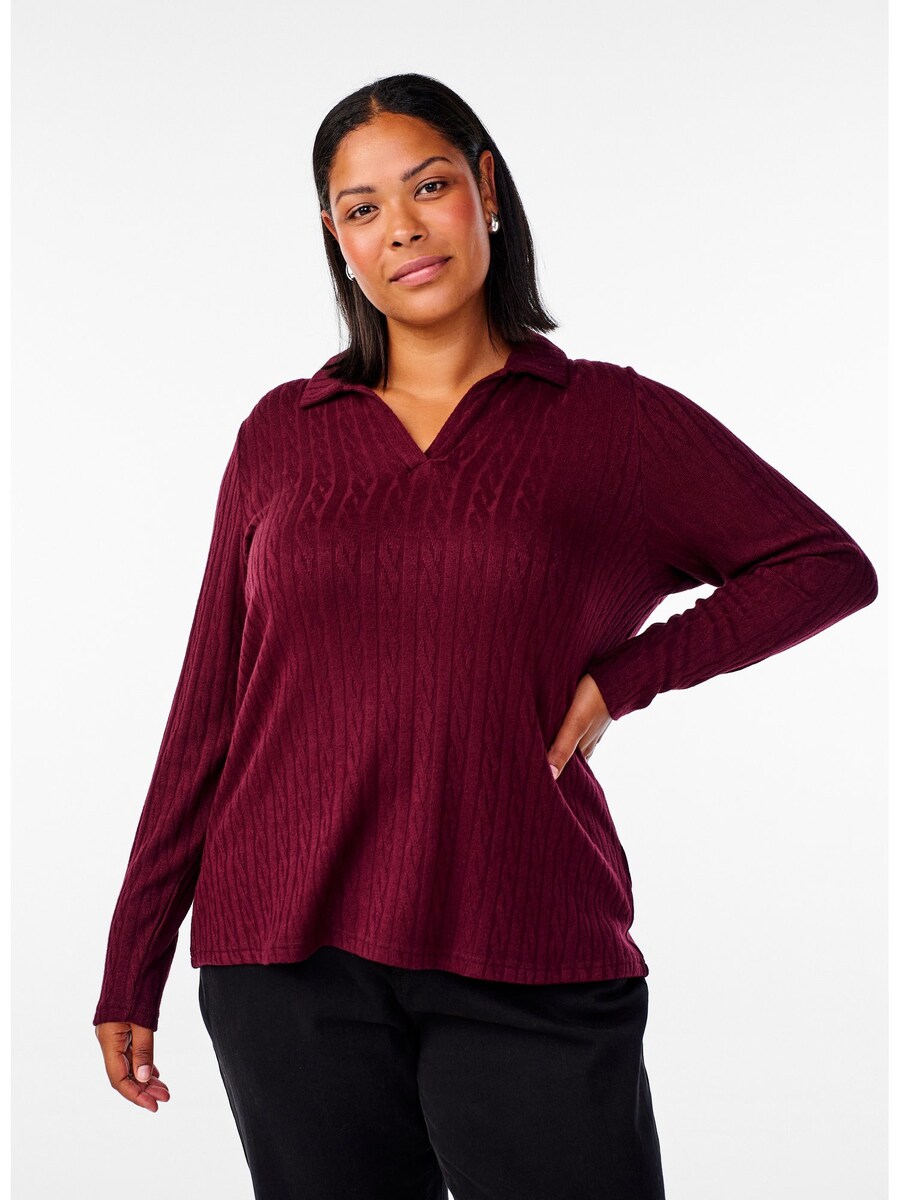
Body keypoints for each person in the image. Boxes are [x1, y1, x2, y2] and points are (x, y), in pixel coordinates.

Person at [93, 72, 878, 1199]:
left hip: (527, 939)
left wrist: (624, 679)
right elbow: (208, 705)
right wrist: (135, 957)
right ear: (337, 240)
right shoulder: (282, 431)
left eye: (429, 187)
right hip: (285, 963)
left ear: (488, 191)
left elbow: (821, 566)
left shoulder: (611, 421)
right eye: (362, 208)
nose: (402, 228)